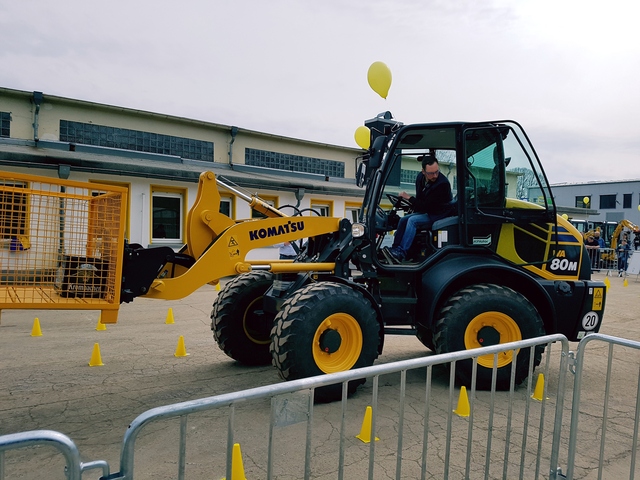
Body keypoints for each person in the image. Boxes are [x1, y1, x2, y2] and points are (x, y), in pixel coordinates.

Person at [385, 155, 452, 262]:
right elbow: (420, 200)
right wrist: (411, 203)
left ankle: (402, 252)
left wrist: (408, 197)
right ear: (423, 171)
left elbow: (426, 205)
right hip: (427, 210)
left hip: (438, 214)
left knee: (412, 221)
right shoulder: (420, 178)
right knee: (403, 220)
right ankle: (395, 249)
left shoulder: (442, 184)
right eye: (431, 173)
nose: (435, 175)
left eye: (437, 172)